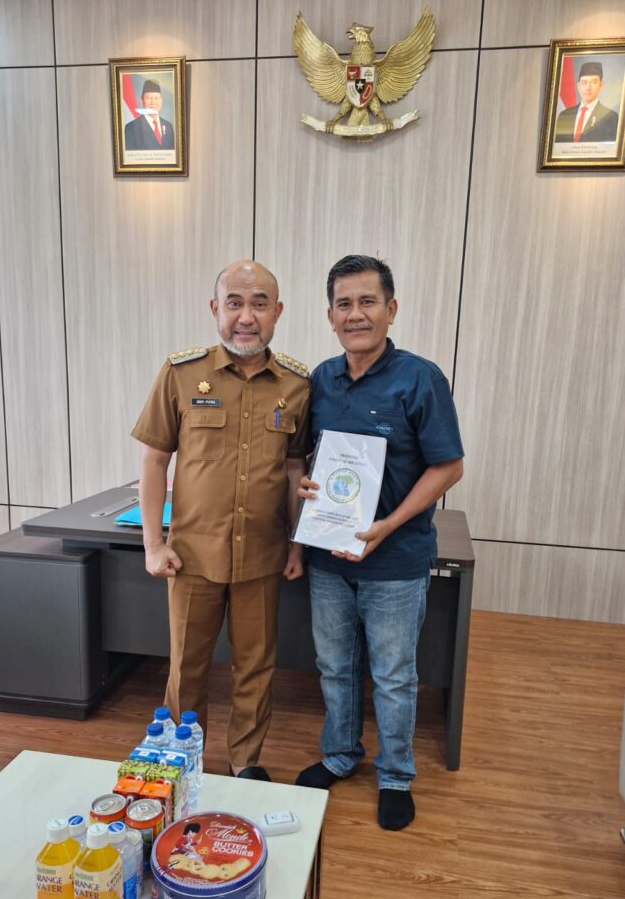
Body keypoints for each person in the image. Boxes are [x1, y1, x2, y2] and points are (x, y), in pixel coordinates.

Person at [295, 255, 464, 831]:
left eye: (367, 302)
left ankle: (394, 776)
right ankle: (341, 755)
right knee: (334, 666)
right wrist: (304, 483)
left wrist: (388, 525)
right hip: (328, 556)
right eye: (344, 304)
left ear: (391, 309)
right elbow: (307, 458)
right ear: (330, 316)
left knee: (393, 676)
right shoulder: (320, 379)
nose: (355, 314)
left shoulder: (421, 378)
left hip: (395, 559)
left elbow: (448, 466)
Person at [131, 261, 310, 782]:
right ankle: (181, 759)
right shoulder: (181, 373)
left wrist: (296, 545)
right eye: (234, 303)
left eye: (259, 304)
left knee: (255, 667)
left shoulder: (298, 384)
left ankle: (245, 761)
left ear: (277, 312)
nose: (246, 317)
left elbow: (295, 469)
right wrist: (153, 543)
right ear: (215, 309)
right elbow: (154, 460)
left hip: (263, 554)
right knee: (186, 666)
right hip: (192, 556)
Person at [554, 61, 619, 144]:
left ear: (601, 86)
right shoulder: (564, 116)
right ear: (578, 86)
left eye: (594, 82)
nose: (588, 87)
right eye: (584, 82)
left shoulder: (611, 118)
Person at [124, 79, 175, 150]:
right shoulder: (131, 128)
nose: (153, 102)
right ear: (142, 100)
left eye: (156, 98)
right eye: (149, 98)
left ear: (161, 100)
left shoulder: (168, 126)